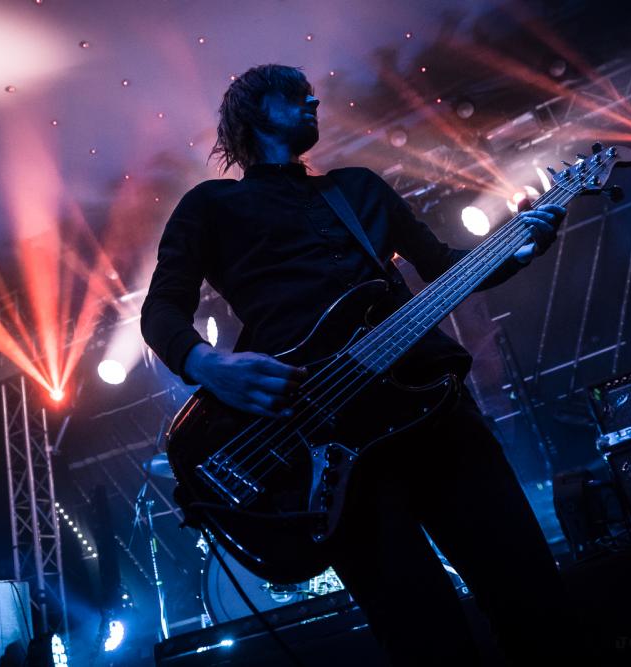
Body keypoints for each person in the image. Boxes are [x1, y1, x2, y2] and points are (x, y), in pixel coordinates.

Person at [141, 64, 577, 665]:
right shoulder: (211, 206)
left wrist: (519, 245)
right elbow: (161, 309)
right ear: (254, 110)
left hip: (432, 414)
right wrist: (208, 364)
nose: (313, 101)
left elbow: (443, 266)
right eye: (295, 96)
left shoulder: (359, 189)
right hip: (325, 448)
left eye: (311, 94)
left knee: (535, 603)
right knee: (427, 642)